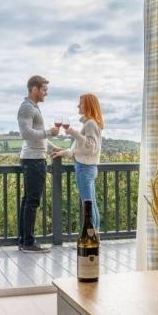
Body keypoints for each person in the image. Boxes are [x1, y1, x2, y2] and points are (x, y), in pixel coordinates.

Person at [17, 75, 59, 253]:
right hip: (33, 160)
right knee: (32, 201)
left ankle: (24, 240)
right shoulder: (26, 108)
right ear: (34, 89)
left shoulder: (33, 107)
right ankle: (28, 243)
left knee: (28, 200)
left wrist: (53, 147)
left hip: (35, 158)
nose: (46, 93)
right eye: (44, 90)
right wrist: (49, 132)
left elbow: (38, 136)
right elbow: (26, 133)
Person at [52, 93, 103, 229]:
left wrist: (73, 133)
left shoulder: (90, 123)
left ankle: (91, 236)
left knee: (88, 205)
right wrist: (64, 151)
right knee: (91, 204)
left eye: (81, 103)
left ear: (88, 105)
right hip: (88, 168)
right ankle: (95, 235)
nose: (78, 105)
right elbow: (81, 149)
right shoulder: (91, 123)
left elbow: (91, 147)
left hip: (84, 169)